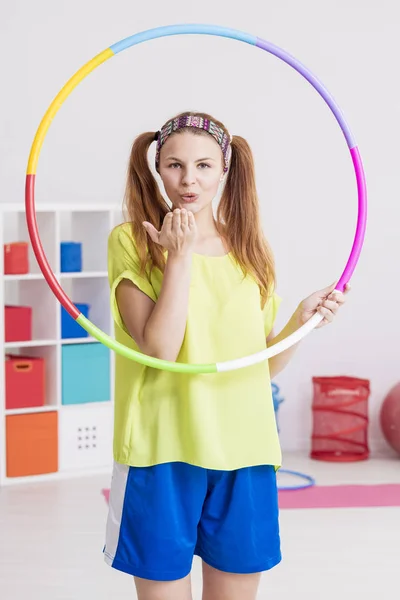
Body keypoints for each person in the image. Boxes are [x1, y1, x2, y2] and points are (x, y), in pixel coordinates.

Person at [103, 111, 349, 600]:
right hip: (162, 449)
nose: (189, 179)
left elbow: (261, 367)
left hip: (246, 450)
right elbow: (159, 349)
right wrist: (180, 255)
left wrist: (299, 324)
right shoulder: (132, 241)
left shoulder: (251, 251)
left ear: (226, 168)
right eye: (174, 165)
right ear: (157, 168)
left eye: (203, 165)